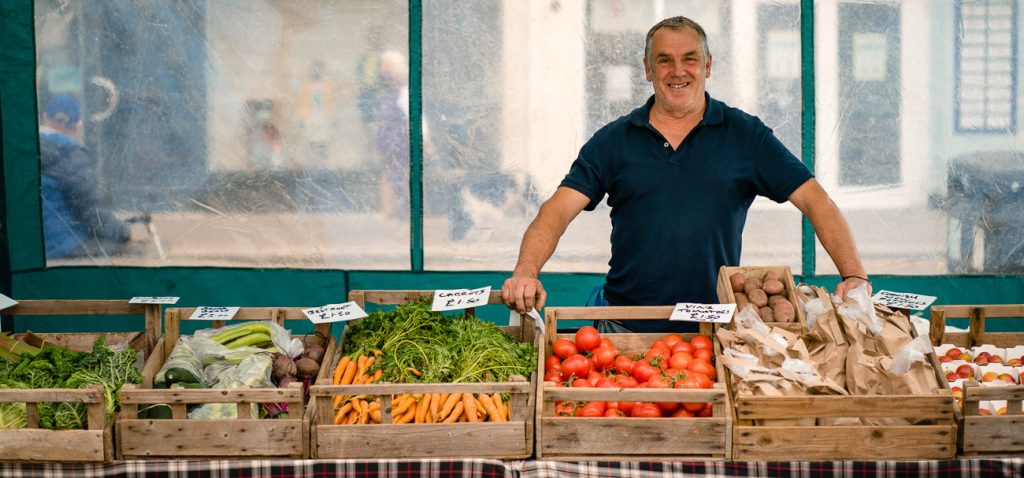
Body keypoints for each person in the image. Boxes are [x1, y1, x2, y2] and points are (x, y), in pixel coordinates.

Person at [501, 16, 871, 333]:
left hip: (716, 326)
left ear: (708, 65)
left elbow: (814, 199)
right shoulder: (614, 140)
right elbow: (557, 210)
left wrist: (854, 275)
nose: (678, 71)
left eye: (690, 59)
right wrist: (526, 270)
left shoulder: (745, 135)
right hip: (625, 324)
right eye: (664, 61)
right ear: (647, 69)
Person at [39, 93, 132, 259]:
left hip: (35, 245)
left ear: (45, 118)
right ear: (77, 125)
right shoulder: (69, 154)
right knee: (136, 251)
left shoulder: (25, 148)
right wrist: (124, 232)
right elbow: (91, 212)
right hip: (62, 246)